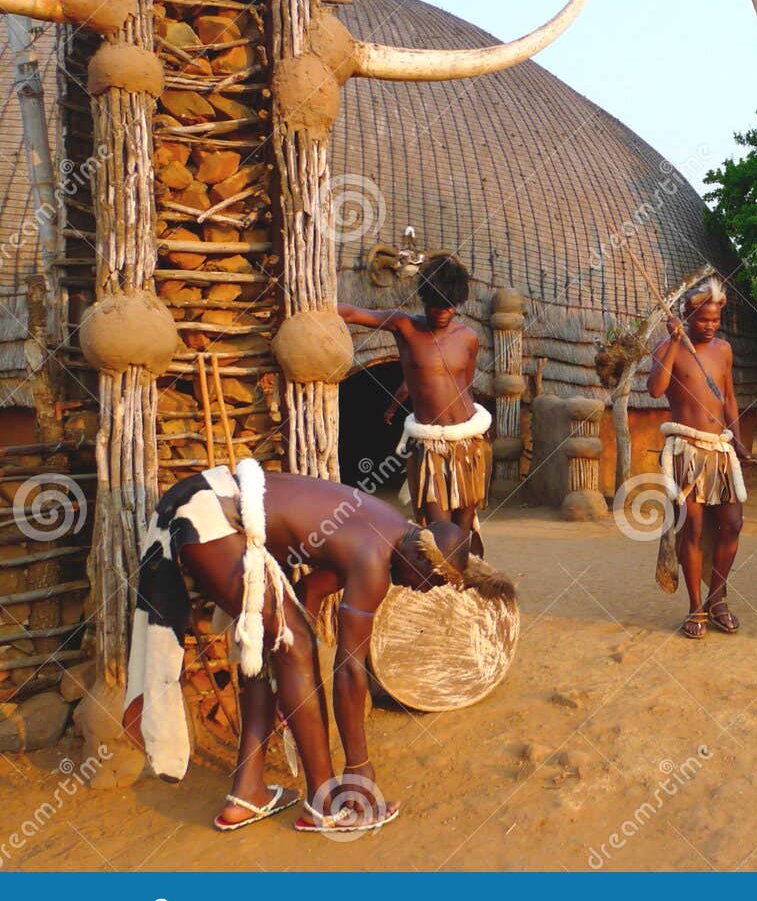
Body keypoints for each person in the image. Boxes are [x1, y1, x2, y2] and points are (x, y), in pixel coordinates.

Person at [124, 460, 501, 832]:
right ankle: (324, 802)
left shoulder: (386, 527)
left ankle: (248, 791)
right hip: (210, 515)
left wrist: (295, 689)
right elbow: (350, 667)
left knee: (279, 644)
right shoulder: (374, 555)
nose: (419, 591)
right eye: (428, 582)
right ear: (420, 555)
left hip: (201, 501)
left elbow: (310, 592)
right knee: (295, 642)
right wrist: (358, 763)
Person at [339, 254, 491, 554]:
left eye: (449, 305)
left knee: (464, 532)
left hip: (468, 445)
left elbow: (462, 387)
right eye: (436, 304)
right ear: (424, 299)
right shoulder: (405, 327)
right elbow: (354, 313)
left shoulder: (469, 338)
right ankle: (437, 591)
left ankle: (462, 594)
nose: (442, 312)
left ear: (457, 303)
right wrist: (317, 311)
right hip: (429, 448)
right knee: (438, 533)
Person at [646, 276, 750, 638]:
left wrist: (737, 438)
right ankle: (695, 607)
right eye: (704, 319)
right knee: (692, 527)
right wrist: (675, 342)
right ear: (688, 315)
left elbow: (729, 397)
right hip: (685, 451)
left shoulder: (723, 350)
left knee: (733, 524)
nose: (710, 326)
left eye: (716, 320)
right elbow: (656, 388)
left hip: (720, 451)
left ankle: (717, 599)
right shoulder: (667, 347)